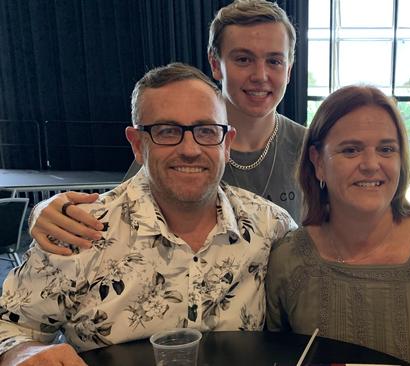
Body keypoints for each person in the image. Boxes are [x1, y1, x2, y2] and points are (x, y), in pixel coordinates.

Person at [0, 63, 296, 365]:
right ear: (138, 144)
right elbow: (8, 322)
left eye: (207, 131)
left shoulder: (270, 226)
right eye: (167, 131)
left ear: (227, 143)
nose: (190, 149)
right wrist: (21, 351)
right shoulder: (78, 230)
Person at [29, 0, 305, 257]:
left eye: (274, 61)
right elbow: (120, 213)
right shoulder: (173, 143)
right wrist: (43, 210)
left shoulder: (311, 147)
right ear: (215, 64)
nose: (260, 76)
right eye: (243, 59)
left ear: (289, 68)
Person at [265, 85, 410, 366]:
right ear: (318, 162)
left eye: (387, 149)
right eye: (351, 150)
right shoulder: (288, 260)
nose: (371, 164)